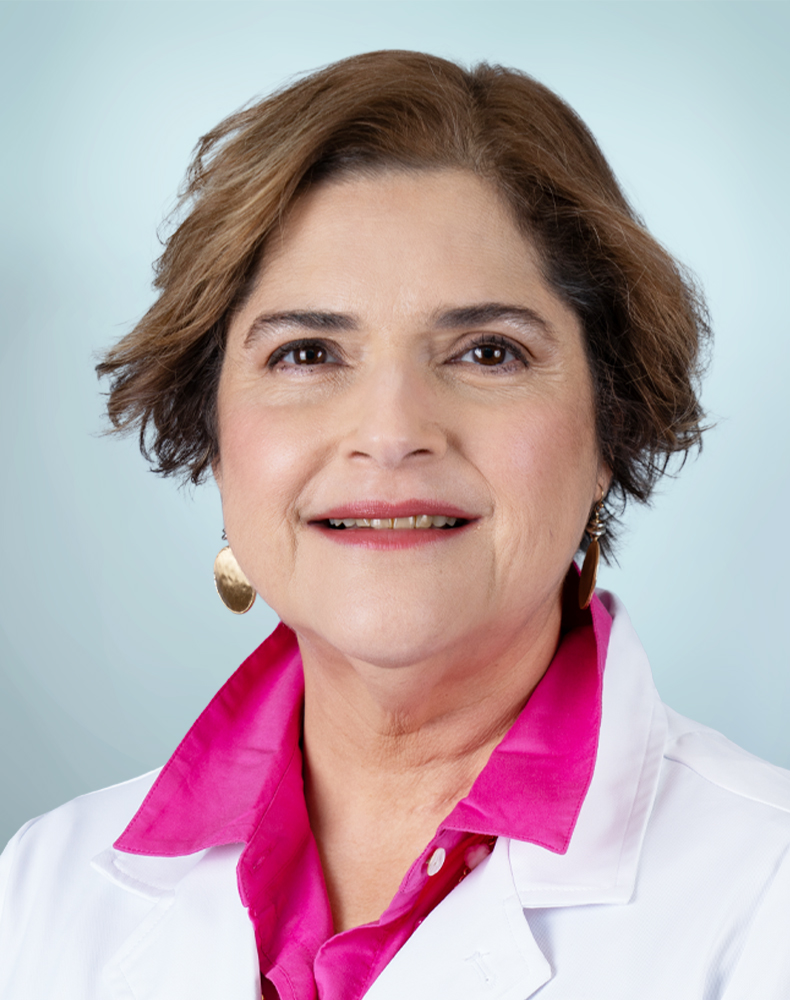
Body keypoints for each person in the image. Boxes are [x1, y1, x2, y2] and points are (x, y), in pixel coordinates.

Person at [1, 49, 789, 1000]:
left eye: (488, 353)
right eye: (308, 353)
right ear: (212, 434)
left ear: (609, 431)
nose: (390, 432)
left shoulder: (766, 891)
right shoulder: (40, 890)